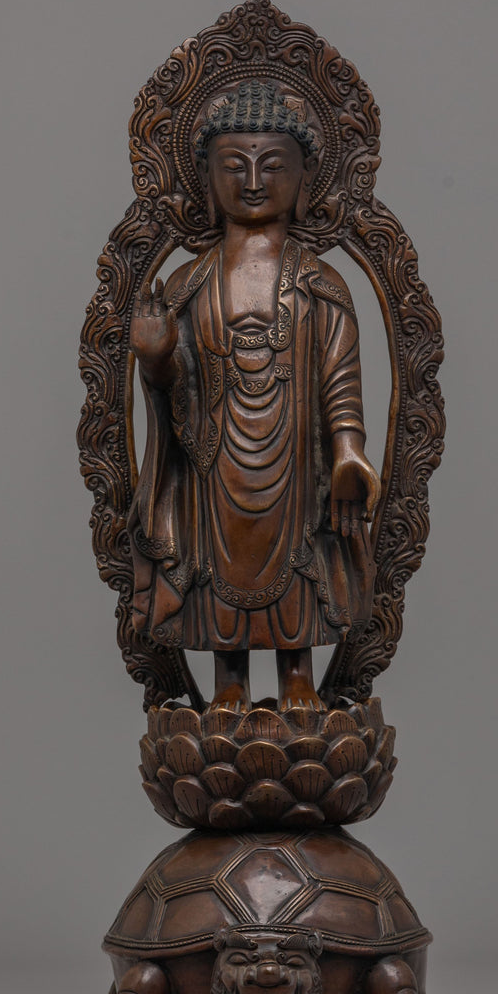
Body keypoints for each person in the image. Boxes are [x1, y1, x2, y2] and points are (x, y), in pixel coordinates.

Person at [128, 81, 380, 711]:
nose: (252, 181)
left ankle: (297, 677)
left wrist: (348, 451)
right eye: (233, 165)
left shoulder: (322, 285)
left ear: (306, 175)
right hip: (213, 466)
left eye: (272, 165)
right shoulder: (188, 285)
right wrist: (156, 359)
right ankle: (229, 683)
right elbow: (176, 389)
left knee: (303, 557)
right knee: (216, 567)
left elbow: (340, 381)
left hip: (297, 466)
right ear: (206, 178)